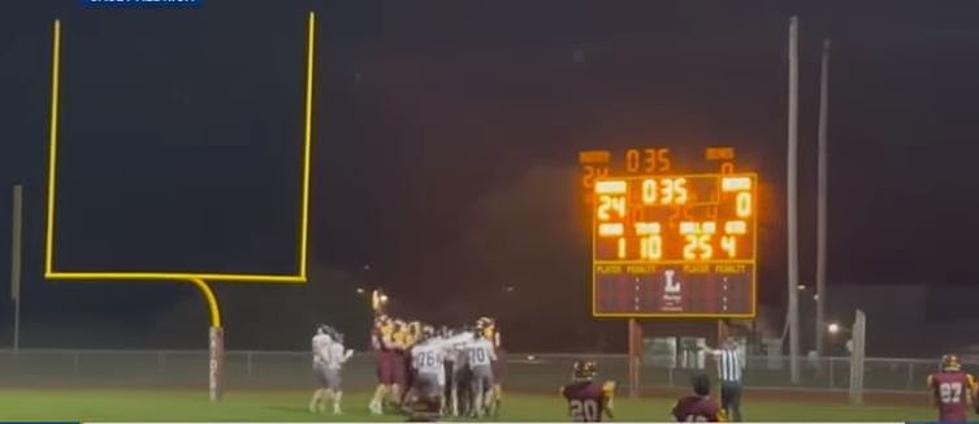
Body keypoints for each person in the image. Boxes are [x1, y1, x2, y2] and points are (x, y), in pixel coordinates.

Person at [308, 325, 354, 414]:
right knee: (334, 390)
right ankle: (330, 407)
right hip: (331, 368)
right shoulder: (337, 346)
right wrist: (348, 355)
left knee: (324, 387)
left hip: (320, 365)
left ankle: (313, 404)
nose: (342, 339)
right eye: (340, 337)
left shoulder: (326, 343)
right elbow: (341, 360)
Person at [407, 326, 444, 421]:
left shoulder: (416, 349)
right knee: (434, 395)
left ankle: (413, 410)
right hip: (432, 373)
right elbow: (440, 361)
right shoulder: (437, 347)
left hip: (421, 373)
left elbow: (414, 366)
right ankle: (436, 412)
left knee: (418, 393)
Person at [704, 338, 743, 421]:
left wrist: (703, 346)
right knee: (736, 407)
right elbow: (738, 346)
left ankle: (723, 421)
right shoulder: (737, 353)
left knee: (724, 407)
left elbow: (710, 352)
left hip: (726, 384)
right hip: (737, 384)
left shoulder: (721, 353)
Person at [928, 354, 976, 423]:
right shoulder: (966, 377)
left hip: (944, 418)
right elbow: (969, 403)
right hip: (960, 419)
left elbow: (933, 403)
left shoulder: (934, 378)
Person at [468, 322, 498, 418]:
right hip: (485, 367)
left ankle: (478, 412)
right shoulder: (487, 343)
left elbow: (470, 360)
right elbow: (492, 356)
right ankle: (485, 405)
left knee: (478, 392)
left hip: (476, 368)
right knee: (489, 389)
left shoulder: (470, 345)